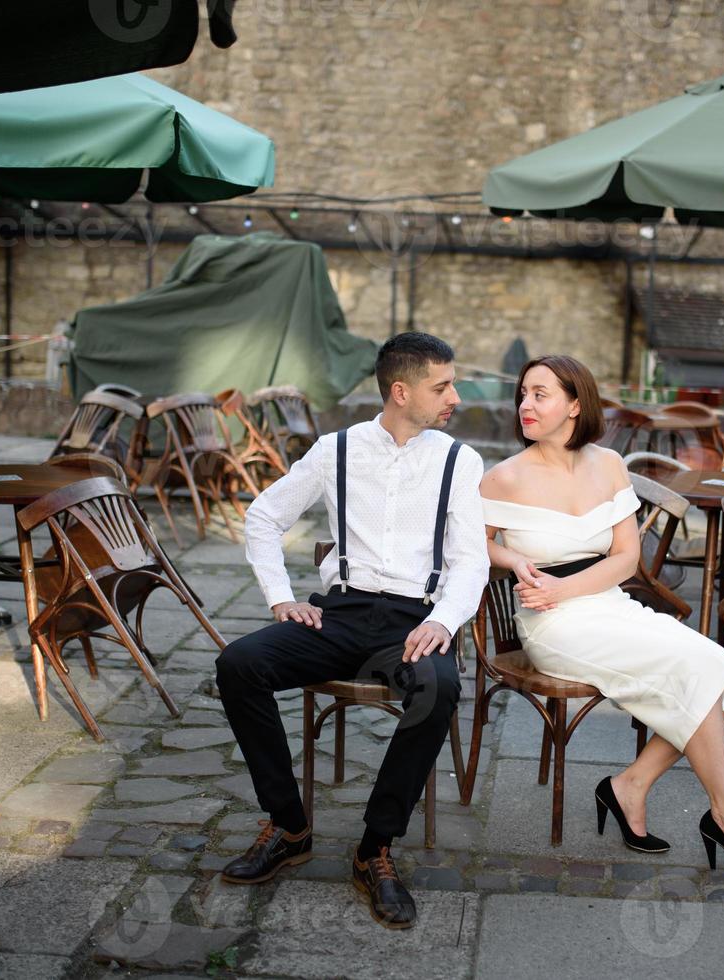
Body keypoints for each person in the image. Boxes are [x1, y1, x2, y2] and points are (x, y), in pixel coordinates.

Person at [214, 332, 489, 929]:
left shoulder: (458, 461)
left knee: (438, 689)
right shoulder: (336, 449)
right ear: (400, 390)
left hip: (413, 621)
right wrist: (281, 599)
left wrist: (443, 620)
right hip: (338, 615)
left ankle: (375, 849)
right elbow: (263, 517)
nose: (454, 396)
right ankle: (289, 827)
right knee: (238, 666)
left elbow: (472, 560)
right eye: (441, 385)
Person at [479, 354, 724, 876]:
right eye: (524, 395)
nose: (525, 405)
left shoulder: (609, 465)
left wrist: (565, 587)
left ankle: (631, 786)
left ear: (575, 405)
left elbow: (626, 558)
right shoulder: (502, 478)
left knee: (714, 667)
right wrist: (512, 558)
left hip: (607, 604)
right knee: (697, 672)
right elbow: (473, 545)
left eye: (540, 394)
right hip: (554, 627)